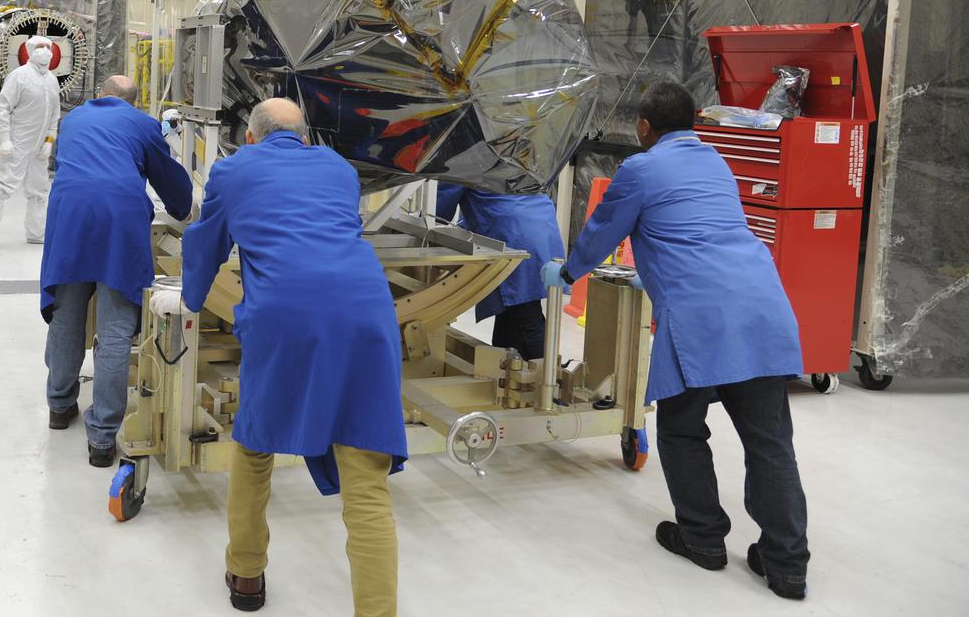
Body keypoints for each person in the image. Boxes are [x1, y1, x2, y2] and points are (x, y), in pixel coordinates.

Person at [542, 80, 809, 601]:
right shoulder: (717, 163)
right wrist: (656, 270)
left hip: (699, 316)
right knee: (770, 443)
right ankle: (788, 565)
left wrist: (568, 271)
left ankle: (703, 538)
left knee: (682, 429)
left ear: (644, 127)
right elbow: (701, 230)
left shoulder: (640, 168)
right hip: (763, 307)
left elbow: (603, 231)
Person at [177, 98, 406, 616]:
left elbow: (206, 245)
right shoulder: (339, 168)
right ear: (305, 136)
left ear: (250, 137)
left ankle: (246, 575)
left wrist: (189, 299)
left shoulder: (233, 170)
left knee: (256, 444)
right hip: (366, 313)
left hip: (284, 316)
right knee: (365, 476)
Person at [38, 74, 193, 467]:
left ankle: (59, 405)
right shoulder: (143, 124)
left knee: (67, 315)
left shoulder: (73, 119)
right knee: (114, 330)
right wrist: (183, 209)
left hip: (70, 216)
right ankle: (102, 438)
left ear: (100, 95)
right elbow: (170, 182)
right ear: (133, 102)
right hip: (118, 220)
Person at [436, 185, 564, 360]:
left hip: (514, 233)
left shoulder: (457, 166)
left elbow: (438, 212)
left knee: (525, 316)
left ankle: (546, 373)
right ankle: (505, 369)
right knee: (512, 313)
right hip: (540, 222)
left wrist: (416, 222)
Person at [0, 35, 61, 252]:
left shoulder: (52, 80)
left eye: (48, 46)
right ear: (29, 50)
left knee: (39, 189)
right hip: (18, 142)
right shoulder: (19, 76)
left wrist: (49, 141)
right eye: (40, 46)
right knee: (4, 184)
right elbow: (2, 107)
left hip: (40, 146)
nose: (45, 51)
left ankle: (37, 233)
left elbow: (54, 114)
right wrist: (5, 139)